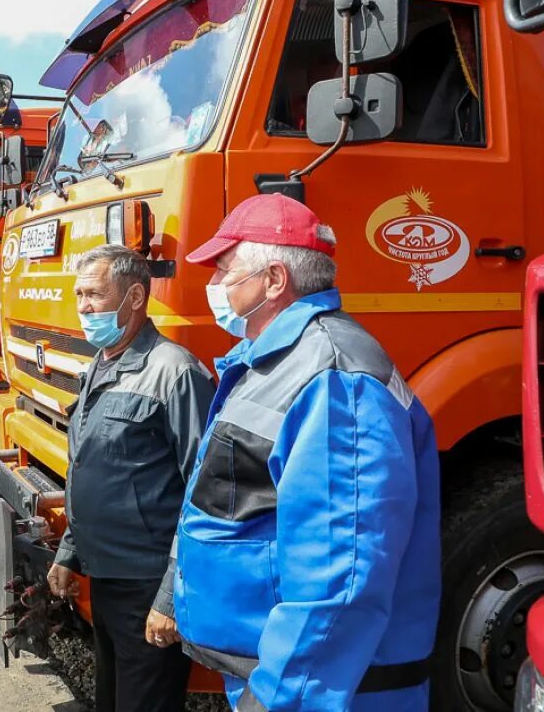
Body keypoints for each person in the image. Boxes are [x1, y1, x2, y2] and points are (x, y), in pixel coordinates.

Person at [171, 194, 441, 711]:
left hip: (327, 688)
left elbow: (341, 576)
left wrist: (279, 698)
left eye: (225, 271)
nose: (214, 286)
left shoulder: (335, 379)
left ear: (274, 280)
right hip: (281, 669)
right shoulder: (278, 360)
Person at [46, 245, 215, 712]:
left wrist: (169, 597)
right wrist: (69, 552)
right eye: (79, 294)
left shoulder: (176, 372)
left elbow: (206, 494)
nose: (83, 307)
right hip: (107, 579)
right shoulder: (99, 364)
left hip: (148, 584)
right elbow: (88, 466)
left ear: (135, 296)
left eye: (94, 295)